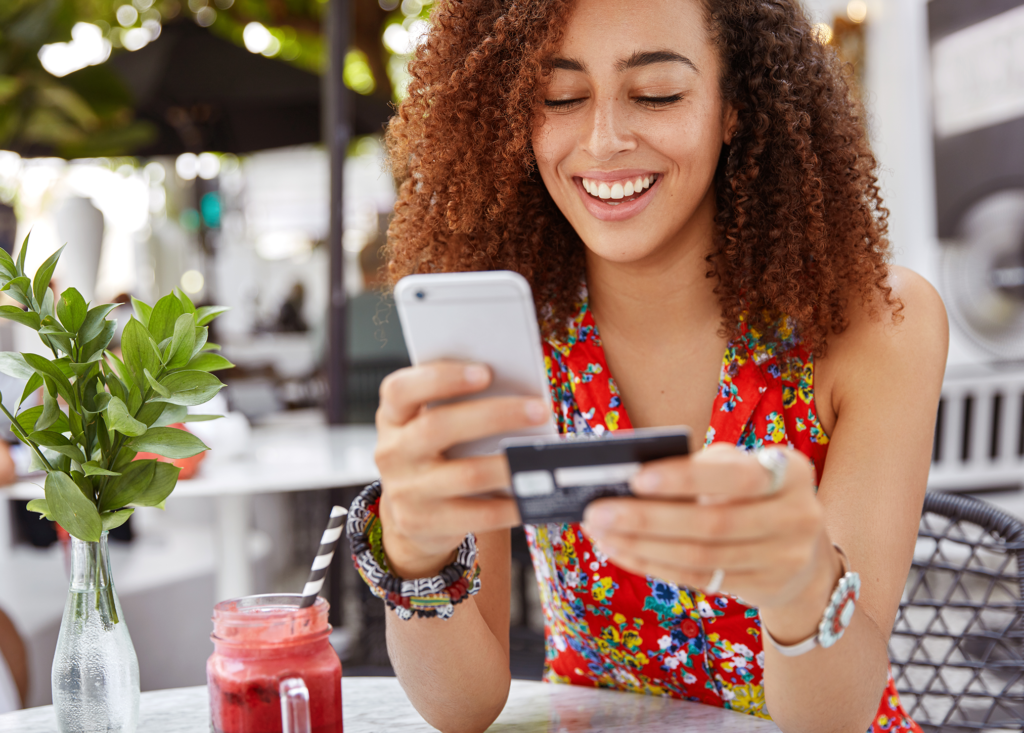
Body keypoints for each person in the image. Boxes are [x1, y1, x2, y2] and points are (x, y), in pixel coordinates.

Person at [349, 1, 949, 731]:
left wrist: (801, 584)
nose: (603, 141)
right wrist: (414, 555)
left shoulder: (879, 322)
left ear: (735, 104)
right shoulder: (507, 323)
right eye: (560, 98)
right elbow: (465, 705)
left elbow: (833, 719)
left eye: (657, 93)